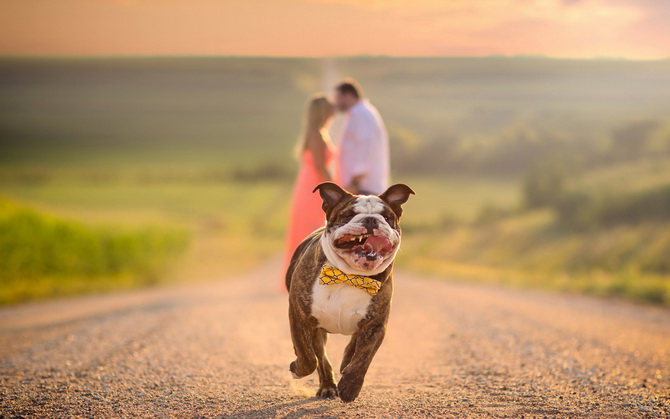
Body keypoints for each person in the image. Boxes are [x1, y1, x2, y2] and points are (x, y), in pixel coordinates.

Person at [283, 94, 338, 281]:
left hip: (310, 181)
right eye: (330, 109)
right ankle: (306, 274)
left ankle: (310, 273)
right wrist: (336, 191)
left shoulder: (316, 132)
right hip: (313, 184)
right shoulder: (316, 134)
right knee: (312, 225)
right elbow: (321, 166)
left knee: (312, 225)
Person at [334, 79, 390, 195]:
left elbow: (365, 147)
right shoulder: (359, 113)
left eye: (338, 98)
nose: (336, 102)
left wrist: (355, 182)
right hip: (360, 185)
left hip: (363, 186)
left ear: (348, 95)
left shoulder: (361, 115)